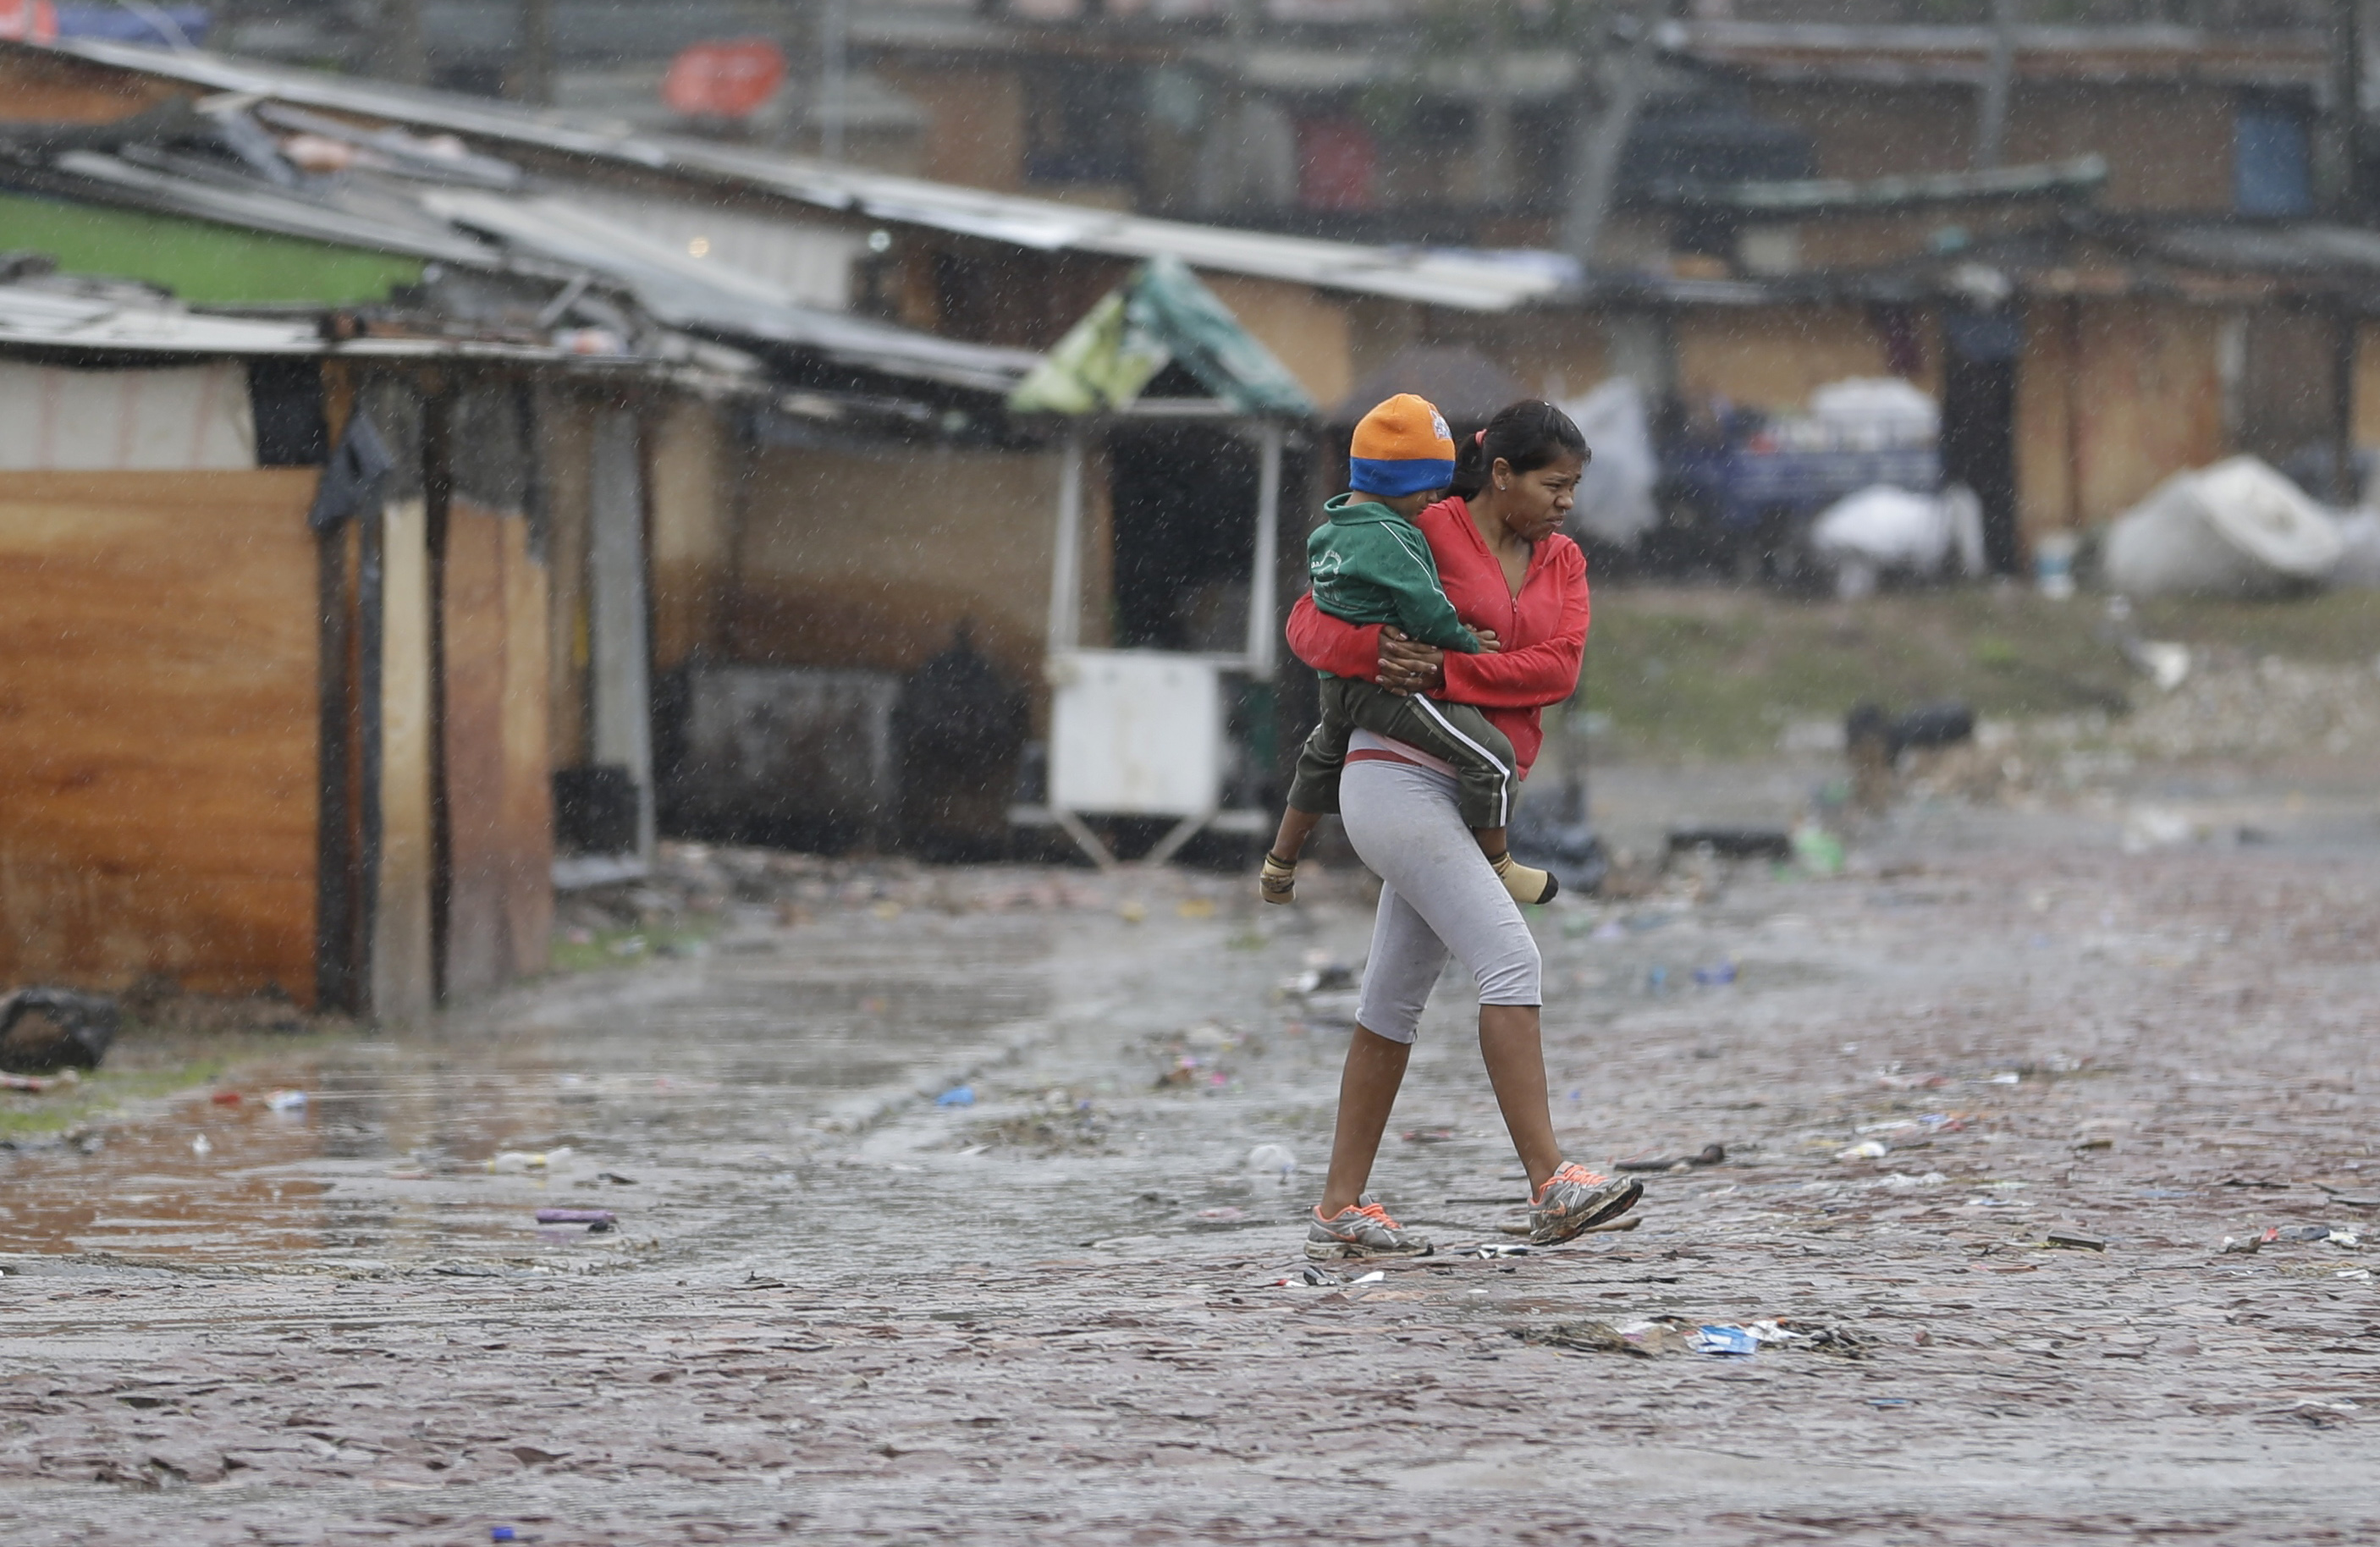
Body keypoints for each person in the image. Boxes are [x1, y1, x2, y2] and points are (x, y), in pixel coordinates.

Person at [1288, 399, 1642, 1258]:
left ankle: (1339, 1206)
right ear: (1501, 475)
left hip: (1477, 792)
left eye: (1575, 487)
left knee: (1391, 999)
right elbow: (1309, 621)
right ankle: (1551, 1183)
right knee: (1511, 958)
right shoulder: (1426, 527)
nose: (1566, 503)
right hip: (1396, 778)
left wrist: (1448, 668)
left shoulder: (1563, 562)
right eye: (1553, 485)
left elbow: (1557, 669)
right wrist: (1374, 654)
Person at [1259, 394, 1556, 910]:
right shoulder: (1395, 537)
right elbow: (1427, 609)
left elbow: (1320, 603)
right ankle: (1498, 865)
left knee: (1319, 759)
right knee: (1493, 756)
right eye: (1428, 486)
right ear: (1399, 480)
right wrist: (1466, 644)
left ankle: (1279, 863)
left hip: (1336, 688)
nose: (1433, 500)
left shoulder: (1328, 531)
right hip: (1385, 689)